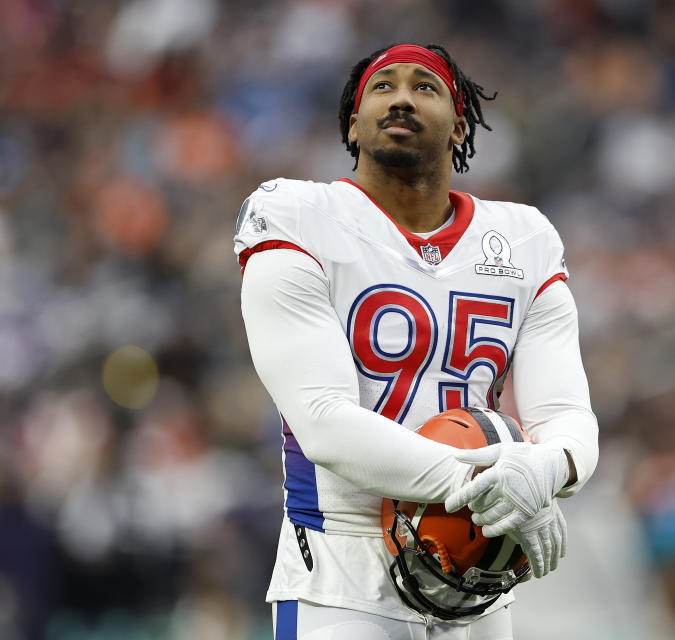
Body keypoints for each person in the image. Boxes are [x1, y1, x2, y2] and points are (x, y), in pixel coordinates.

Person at [234, 43, 599, 639]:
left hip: (480, 573)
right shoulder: (296, 213)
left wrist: (546, 469)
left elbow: (567, 417)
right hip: (342, 569)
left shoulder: (524, 238)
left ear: (461, 125)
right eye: (383, 87)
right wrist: (491, 487)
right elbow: (323, 420)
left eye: (424, 87)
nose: (402, 97)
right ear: (353, 122)